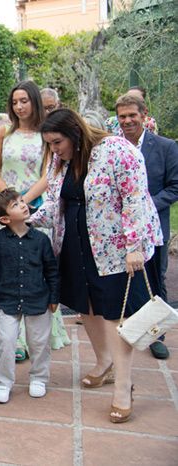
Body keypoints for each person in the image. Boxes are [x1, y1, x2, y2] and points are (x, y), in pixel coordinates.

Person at [31, 108, 162, 423]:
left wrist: (133, 246)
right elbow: (53, 201)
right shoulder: (60, 161)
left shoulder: (117, 150)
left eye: (57, 142)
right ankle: (104, 363)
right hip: (75, 243)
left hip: (114, 247)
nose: (54, 149)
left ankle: (123, 385)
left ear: (75, 133)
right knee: (85, 306)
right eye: (49, 144)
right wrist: (28, 220)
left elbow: (135, 198)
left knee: (116, 314)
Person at [0, 81, 70, 359]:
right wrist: (9, 198)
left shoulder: (46, 134)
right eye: (14, 102)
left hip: (35, 209)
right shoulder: (3, 132)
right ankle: (16, 340)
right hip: (8, 208)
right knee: (11, 268)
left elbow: (51, 173)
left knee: (35, 271)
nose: (19, 106)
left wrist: (25, 201)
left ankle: (37, 334)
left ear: (34, 101)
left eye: (24, 100)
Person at [0, 189, 59, 403]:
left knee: (39, 342)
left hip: (38, 300)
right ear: (5, 219)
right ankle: (3, 382)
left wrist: (54, 297)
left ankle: (39, 378)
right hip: (9, 301)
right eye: (16, 204)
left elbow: (52, 270)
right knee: (6, 341)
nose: (23, 205)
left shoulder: (41, 240)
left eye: (21, 201)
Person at [116, 93, 178, 360]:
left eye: (132, 115)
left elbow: (175, 186)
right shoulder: (114, 146)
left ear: (144, 114)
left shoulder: (165, 147)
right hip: (121, 231)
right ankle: (127, 329)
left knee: (155, 280)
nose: (128, 120)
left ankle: (156, 336)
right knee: (125, 281)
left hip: (154, 230)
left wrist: (143, 206)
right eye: (122, 116)